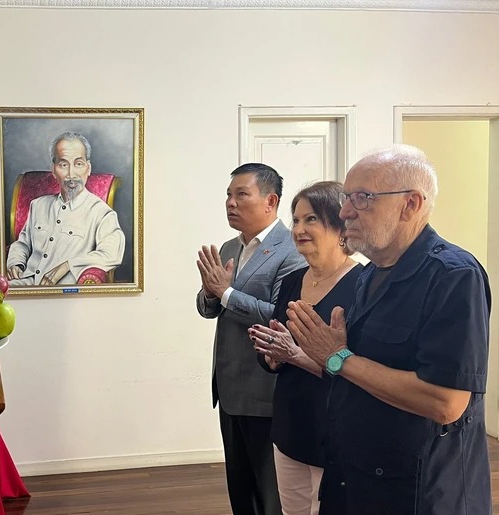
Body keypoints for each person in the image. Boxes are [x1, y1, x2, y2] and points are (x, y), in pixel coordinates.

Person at [286, 145, 492, 515]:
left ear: (410, 204)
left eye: (362, 198)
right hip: (355, 478)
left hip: (418, 492)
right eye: (347, 198)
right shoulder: (370, 274)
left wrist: (337, 357)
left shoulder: (453, 276)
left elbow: (446, 403)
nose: (345, 212)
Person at [196, 163, 306, 515]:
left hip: (265, 388)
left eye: (242, 194)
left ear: (270, 201)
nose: (231, 202)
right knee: (240, 487)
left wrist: (225, 293)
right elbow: (208, 308)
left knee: (269, 491)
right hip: (229, 385)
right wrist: (211, 295)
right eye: (229, 195)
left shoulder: (292, 250)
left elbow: (280, 314)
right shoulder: (229, 247)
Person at [248, 181, 363, 515]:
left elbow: (360, 370)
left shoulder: (363, 284)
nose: (298, 229)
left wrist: (295, 355)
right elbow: (276, 349)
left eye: (310, 219)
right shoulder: (291, 281)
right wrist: (271, 356)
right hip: (290, 424)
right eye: (296, 220)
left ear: (339, 225)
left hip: (336, 429)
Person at [6, 131, 125, 286]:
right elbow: (22, 244)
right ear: (53, 170)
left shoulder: (101, 213)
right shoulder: (38, 205)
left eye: (78, 164)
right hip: (26, 283)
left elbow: (111, 254)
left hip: (65, 290)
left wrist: (68, 265)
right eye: (63, 165)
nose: (71, 174)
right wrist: (15, 263)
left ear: (88, 168)